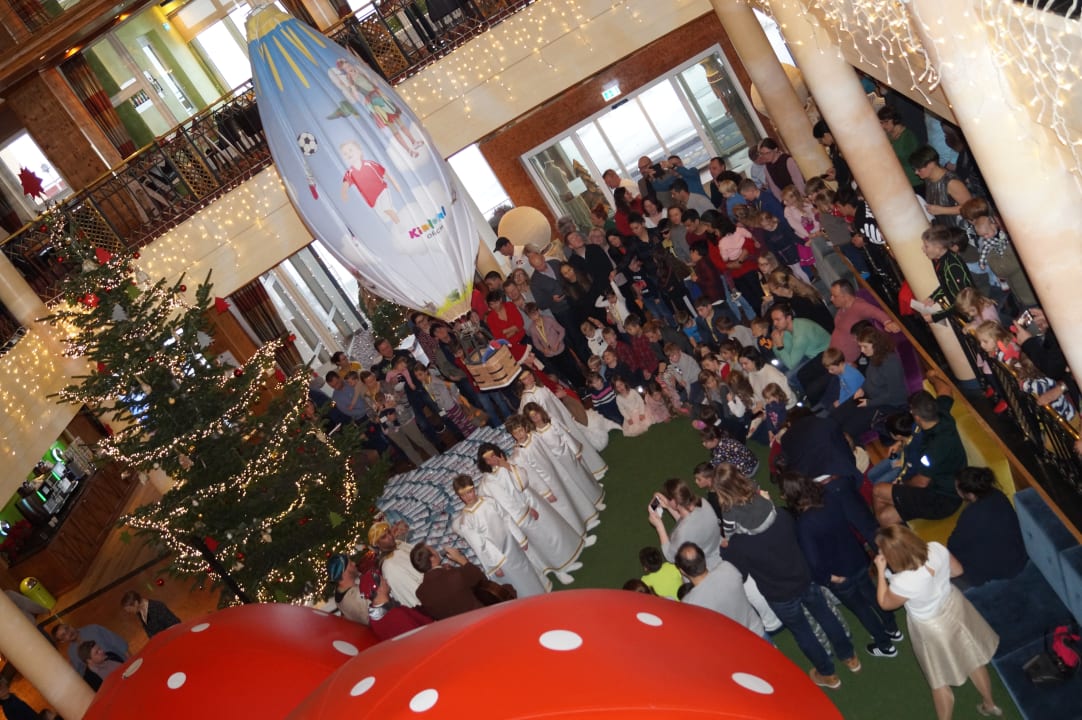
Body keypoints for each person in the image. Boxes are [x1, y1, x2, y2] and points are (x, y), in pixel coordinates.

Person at [722, 494, 860, 689]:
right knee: (826, 615)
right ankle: (850, 658)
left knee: (802, 632)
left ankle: (828, 675)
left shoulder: (739, 543)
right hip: (804, 578)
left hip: (779, 594)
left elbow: (741, 574)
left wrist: (727, 549)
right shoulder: (781, 516)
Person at [875, 525, 1001, 719]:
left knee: (939, 680)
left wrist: (881, 570)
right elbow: (957, 571)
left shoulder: (903, 581)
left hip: (932, 626)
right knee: (974, 658)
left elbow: (885, 603)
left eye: (882, 550)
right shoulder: (935, 548)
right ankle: (990, 704)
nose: (879, 552)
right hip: (955, 605)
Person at [780, 471, 901, 659]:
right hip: (858, 559)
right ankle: (892, 628)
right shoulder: (830, 499)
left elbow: (813, 561)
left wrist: (829, 578)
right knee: (872, 594)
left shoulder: (804, 524)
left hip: (840, 575)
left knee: (861, 609)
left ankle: (885, 645)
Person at [479, 438, 589, 584]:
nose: (492, 460)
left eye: (493, 455)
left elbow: (523, 480)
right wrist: (525, 510)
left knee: (554, 529)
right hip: (520, 515)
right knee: (543, 542)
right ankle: (558, 570)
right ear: (484, 463)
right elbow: (506, 501)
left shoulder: (506, 466)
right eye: (487, 459)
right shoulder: (489, 481)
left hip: (531, 500)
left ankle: (567, 559)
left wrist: (507, 466)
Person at [873, 372, 967, 527]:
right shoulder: (941, 413)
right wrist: (932, 377)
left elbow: (921, 482)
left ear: (916, 416)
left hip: (941, 498)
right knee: (885, 517)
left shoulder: (933, 451)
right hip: (942, 486)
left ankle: (890, 537)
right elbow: (945, 390)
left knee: (878, 490)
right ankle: (896, 536)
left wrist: (902, 484)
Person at [451, 474, 548, 598]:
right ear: (459, 497)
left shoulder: (489, 501)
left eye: (469, 492)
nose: (467, 497)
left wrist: (520, 538)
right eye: (463, 495)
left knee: (527, 572)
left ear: (473, 489)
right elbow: (480, 545)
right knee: (519, 583)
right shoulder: (466, 521)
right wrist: (495, 565)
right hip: (499, 557)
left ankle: (543, 595)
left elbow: (506, 518)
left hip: (512, 545)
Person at [947, 467, 1028, 590]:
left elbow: (953, 545)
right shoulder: (998, 495)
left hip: (999, 571)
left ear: (968, 493)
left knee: (950, 563)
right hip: (1018, 559)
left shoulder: (970, 515)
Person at [830, 324, 909, 438]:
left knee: (847, 429)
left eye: (865, 347)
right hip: (870, 396)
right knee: (837, 414)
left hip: (886, 405)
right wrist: (862, 388)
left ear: (876, 344)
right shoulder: (875, 356)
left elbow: (894, 395)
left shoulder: (891, 363)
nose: (862, 351)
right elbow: (870, 379)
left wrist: (869, 403)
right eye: (860, 346)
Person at [676, 542, 765, 637]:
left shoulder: (688, 604)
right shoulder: (727, 568)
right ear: (703, 558)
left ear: (682, 571)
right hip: (757, 631)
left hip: (736, 645)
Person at [648, 477, 723, 569]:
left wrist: (659, 526)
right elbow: (685, 518)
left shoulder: (682, 532)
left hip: (706, 564)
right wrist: (669, 506)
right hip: (716, 547)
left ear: (674, 501)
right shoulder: (703, 502)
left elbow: (671, 556)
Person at [770, 301, 831, 405]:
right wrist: (776, 344)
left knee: (790, 376)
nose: (775, 324)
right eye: (773, 320)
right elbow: (784, 355)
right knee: (780, 366)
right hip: (809, 353)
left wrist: (779, 345)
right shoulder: (789, 328)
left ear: (788, 318)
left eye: (778, 320)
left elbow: (790, 363)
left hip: (826, 354)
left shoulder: (800, 335)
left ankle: (805, 397)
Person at [828, 279, 900, 363]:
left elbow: (875, 312)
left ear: (846, 297)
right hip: (833, 358)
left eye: (834, 296)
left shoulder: (858, 306)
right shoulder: (841, 309)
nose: (831, 299)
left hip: (846, 362)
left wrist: (887, 322)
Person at [410, 542, 487, 619]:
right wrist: (460, 559)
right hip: (482, 618)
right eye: (433, 549)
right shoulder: (454, 575)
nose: (436, 551)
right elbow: (482, 579)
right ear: (432, 558)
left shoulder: (420, 593)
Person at [358, 568, 433, 641]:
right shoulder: (395, 615)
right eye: (383, 580)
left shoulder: (374, 618)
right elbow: (419, 637)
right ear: (379, 589)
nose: (386, 580)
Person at [910, 145, 971, 227]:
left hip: (959, 228)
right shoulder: (928, 178)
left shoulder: (951, 182)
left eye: (919, 169)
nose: (916, 173)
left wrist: (942, 210)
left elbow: (970, 207)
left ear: (931, 164)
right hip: (945, 226)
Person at [368, 520, 424, 608]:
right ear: (377, 544)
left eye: (389, 532)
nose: (390, 537)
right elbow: (413, 595)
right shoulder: (389, 567)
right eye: (384, 537)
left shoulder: (399, 544)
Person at [877, 105, 922, 189]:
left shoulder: (908, 136)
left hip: (913, 181)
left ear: (895, 120)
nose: (883, 126)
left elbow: (912, 160)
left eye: (886, 122)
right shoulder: (887, 135)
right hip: (898, 181)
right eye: (881, 123)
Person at [327, 553, 370, 624]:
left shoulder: (339, 592)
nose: (354, 563)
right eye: (350, 564)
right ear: (344, 573)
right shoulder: (356, 598)